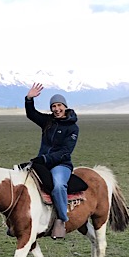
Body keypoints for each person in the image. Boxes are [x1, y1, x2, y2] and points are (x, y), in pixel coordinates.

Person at [24, 82, 79, 239]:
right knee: (22, 179)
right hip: (42, 161)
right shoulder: (48, 121)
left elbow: (65, 152)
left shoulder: (72, 128)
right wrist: (29, 99)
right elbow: (31, 114)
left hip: (60, 164)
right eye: (53, 106)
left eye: (59, 105)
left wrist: (45, 159)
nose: (56, 109)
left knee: (59, 186)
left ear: (65, 107)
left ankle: (61, 219)